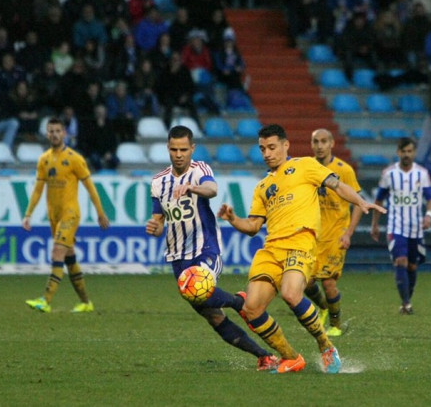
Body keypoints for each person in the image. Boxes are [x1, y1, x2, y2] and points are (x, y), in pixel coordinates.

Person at [217, 124, 385, 374]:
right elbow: (253, 226)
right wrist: (232, 219)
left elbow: (337, 186)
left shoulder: (306, 165)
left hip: (301, 242)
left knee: (291, 293)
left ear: (286, 145)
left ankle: (325, 345)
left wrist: (360, 201)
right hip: (271, 249)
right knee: (251, 309)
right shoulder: (262, 186)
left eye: (272, 147)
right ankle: (291, 357)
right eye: (262, 149)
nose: (267, 153)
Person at [145, 125, 279, 371]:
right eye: (174, 149)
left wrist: (191, 188)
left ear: (192, 149)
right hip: (177, 256)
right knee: (213, 316)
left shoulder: (200, 170)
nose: (178, 154)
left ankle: (240, 303)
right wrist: (155, 227)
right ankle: (263, 356)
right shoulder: (158, 182)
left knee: (201, 290)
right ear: (168, 149)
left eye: (183, 149)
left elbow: (212, 189)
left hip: (205, 248)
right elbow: (160, 219)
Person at [23, 118, 110, 313]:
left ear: (64, 134)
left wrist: (100, 213)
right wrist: (28, 214)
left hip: (70, 214)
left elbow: (90, 187)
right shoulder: (44, 159)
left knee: (57, 253)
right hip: (54, 215)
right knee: (70, 259)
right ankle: (86, 303)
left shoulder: (74, 159)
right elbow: (38, 190)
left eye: (57, 131)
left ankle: (45, 300)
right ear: (47, 134)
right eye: (51, 131)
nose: (54, 134)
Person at [305, 129, 363, 337]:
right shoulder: (308, 168)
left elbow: (357, 203)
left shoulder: (344, 170)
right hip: (312, 237)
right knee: (305, 282)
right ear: (311, 145)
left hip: (335, 236)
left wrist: (348, 233)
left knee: (329, 283)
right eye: (315, 142)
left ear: (331, 144)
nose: (319, 145)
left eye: (323, 141)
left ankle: (336, 325)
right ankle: (323, 307)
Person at [370, 137, 431, 314]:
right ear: (398, 152)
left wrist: (428, 215)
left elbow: (430, 199)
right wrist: (375, 225)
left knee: (412, 267)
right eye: (403, 151)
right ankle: (406, 303)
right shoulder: (389, 174)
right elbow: (379, 200)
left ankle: (406, 300)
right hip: (395, 227)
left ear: (413, 153)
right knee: (401, 261)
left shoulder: (421, 173)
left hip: (415, 228)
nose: (406, 155)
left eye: (409, 151)